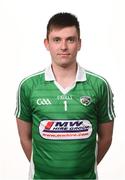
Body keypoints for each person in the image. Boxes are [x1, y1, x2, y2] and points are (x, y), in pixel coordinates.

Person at [15, 12, 115, 179]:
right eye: (56, 40)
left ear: (79, 43)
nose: (63, 47)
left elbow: (106, 137)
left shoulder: (99, 85)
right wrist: (46, 167)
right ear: (47, 43)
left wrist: (83, 167)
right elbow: (25, 137)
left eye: (70, 39)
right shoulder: (29, 86)